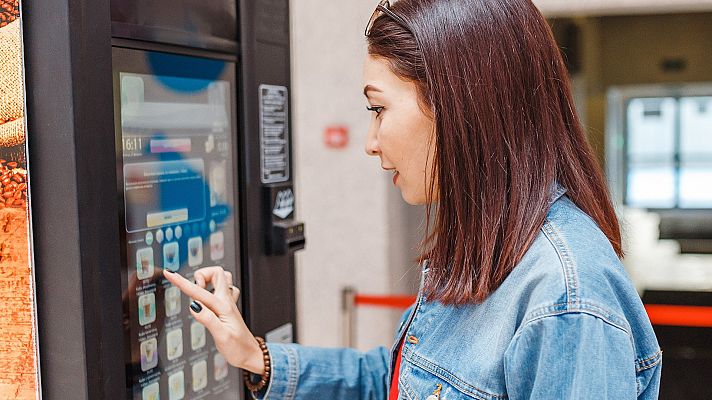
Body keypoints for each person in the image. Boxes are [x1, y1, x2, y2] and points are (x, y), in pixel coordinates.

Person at [164, 0, 663, 398]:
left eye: (378, 108)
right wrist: (256, 355)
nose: (371, 140)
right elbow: (405, 380)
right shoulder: (487, 242)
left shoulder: (565, 296)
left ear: (457, 106)